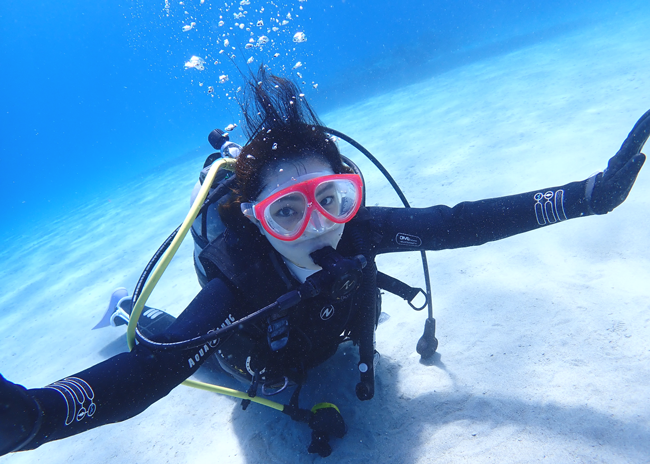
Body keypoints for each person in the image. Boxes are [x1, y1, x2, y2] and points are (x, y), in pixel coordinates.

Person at [1, 67, 648, 457]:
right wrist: (39, 416)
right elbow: (153, 373)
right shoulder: (241, 278)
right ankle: (124, 305)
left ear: (349, 193)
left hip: (331, 330)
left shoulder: (356, 232)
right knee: (169, 337)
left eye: (331, 200)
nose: (318, 228)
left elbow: (456, 224)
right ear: (255, 218)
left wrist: (583, 198)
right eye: (287, 212)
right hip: (260, 352)